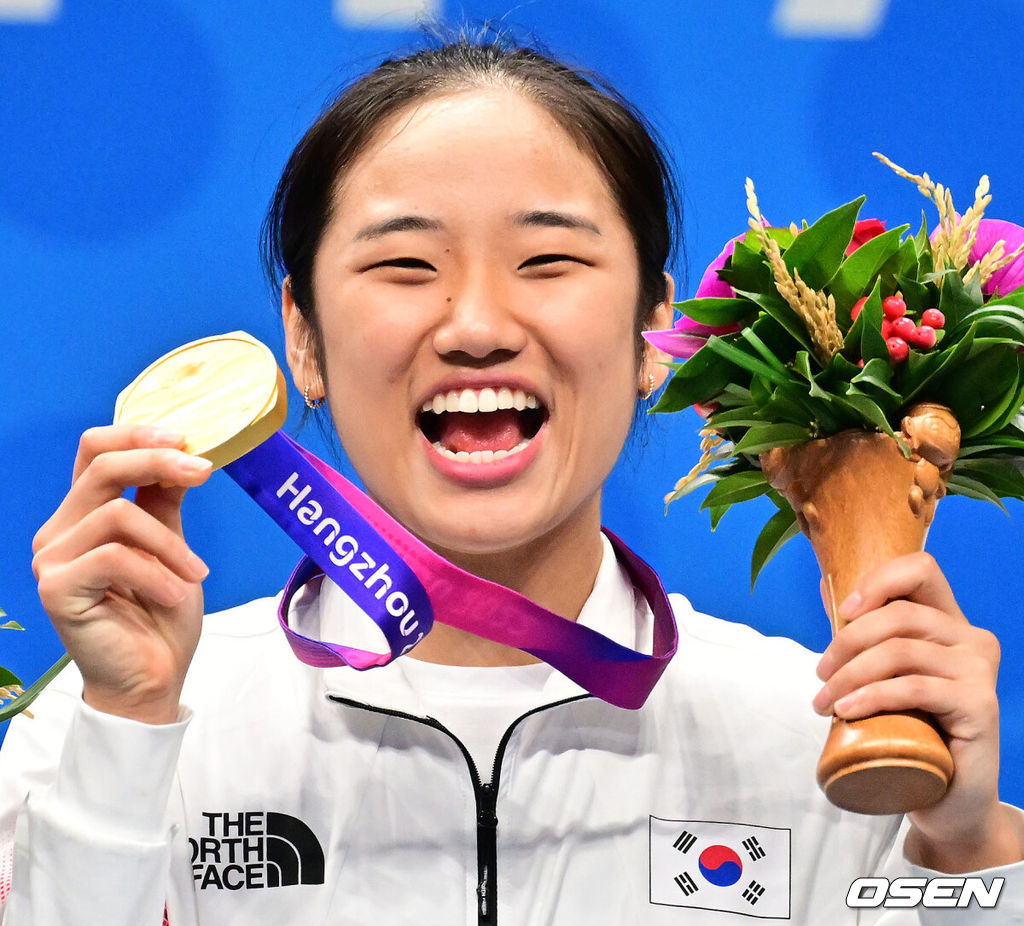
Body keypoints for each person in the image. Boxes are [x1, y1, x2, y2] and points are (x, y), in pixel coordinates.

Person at [1, 35, 1022, 925]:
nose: (479, 326)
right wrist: (125, 733)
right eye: (404, 266)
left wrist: (969, 840)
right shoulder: (127, 724)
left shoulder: (812, 739)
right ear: (302, 340)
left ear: (650, 334)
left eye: (548, 262)